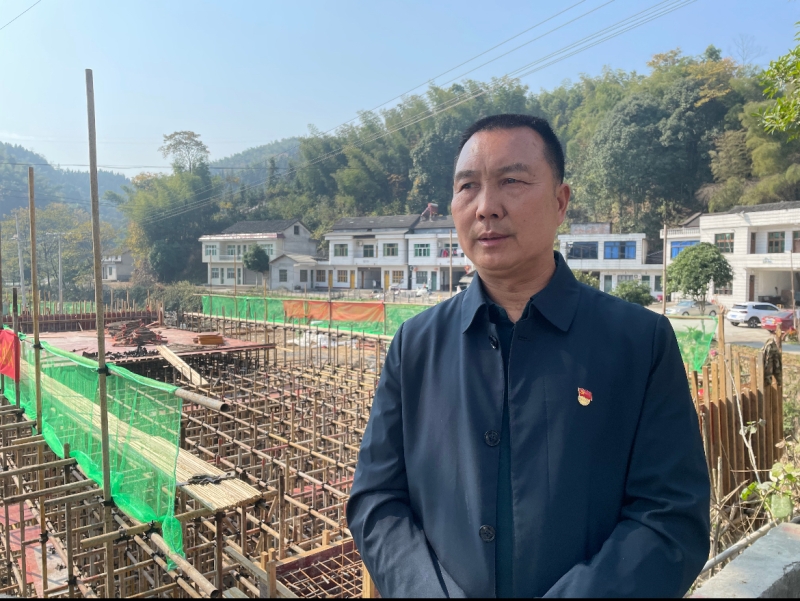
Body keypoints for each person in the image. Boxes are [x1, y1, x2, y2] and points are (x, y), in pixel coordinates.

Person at [347, 113, 710, 597]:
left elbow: (670, 520)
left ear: (560, 202)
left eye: (512, 181)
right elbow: (376, 499)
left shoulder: (640, 343)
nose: (486, 208)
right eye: (467, 187)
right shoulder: (415, 345)